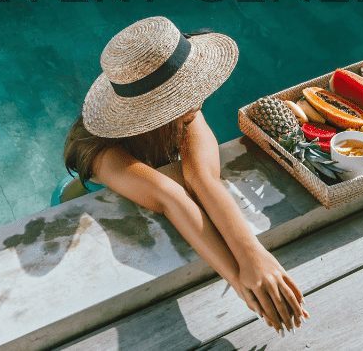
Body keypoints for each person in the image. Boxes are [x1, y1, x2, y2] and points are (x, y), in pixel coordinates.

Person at [59, 17, 308, 334]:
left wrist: (255, 256)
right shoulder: (100, 153)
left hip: (152, 185)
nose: (198, 93)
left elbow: (203, 179)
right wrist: (239, 279)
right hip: (81, 197)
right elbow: (169, 196)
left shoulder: (183, 115)